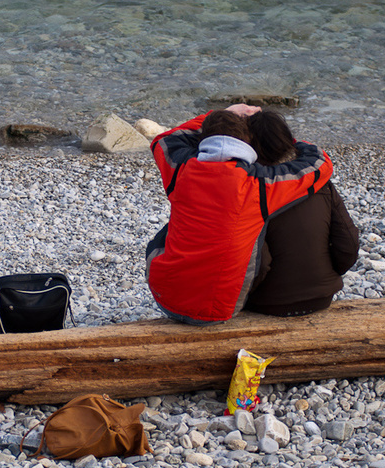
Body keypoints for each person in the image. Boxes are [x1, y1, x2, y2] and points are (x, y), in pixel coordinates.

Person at [145, 104, 334, 325]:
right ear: (247, 142)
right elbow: (320, 164)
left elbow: (166, 139)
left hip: (165, 297)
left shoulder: (180, 169)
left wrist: (222, 114)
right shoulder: (259, 185)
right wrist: (285, 140)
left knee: (172, 228)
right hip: (218, 310)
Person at [243, 110, 360, 316]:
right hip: (321, 296)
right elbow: (349, 244)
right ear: (288, 140)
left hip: (266, 302)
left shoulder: (253, 191)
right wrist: (323, 274)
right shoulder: (319, 180)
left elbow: (259, 263)